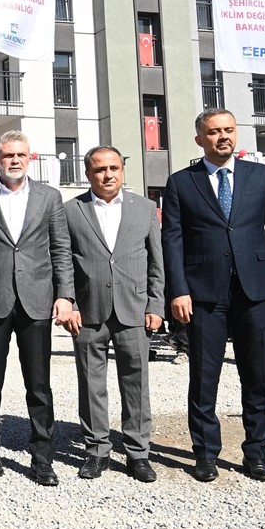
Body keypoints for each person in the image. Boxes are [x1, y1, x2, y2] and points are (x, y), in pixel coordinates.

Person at [163, 109, 265, 482]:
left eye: (229, 130)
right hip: (204, 295)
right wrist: (179, 290)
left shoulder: (261, 176)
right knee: (204, 377)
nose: (223, 137)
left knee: (256, 377)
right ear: (199, 139)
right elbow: (172, 240)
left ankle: (256, 453)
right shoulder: (181, 183)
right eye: (214, 131)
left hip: (254, 292)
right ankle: (205, 453)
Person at [0, 130, 73, 486]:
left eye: (20, 155)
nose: (14, 160)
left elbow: (61, 249)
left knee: (38, 385)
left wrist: (65, 295)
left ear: (30, 158)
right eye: (8, 155)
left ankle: (42, 459)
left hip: (37, 300)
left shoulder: (50, 198)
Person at [61, 146, 163, 483]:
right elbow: (63, 262)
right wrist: (69, 302)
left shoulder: (145, 208)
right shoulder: (70, 211)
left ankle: (137, 453)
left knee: (137, 384)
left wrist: (156, 304)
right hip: (88, 312)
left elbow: (155, 263)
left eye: (114, 168)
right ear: (88, 174)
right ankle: (97, 450)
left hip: (133, 309)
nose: (108, 175)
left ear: (123, 170)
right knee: (91, 385)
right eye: (100, 169)